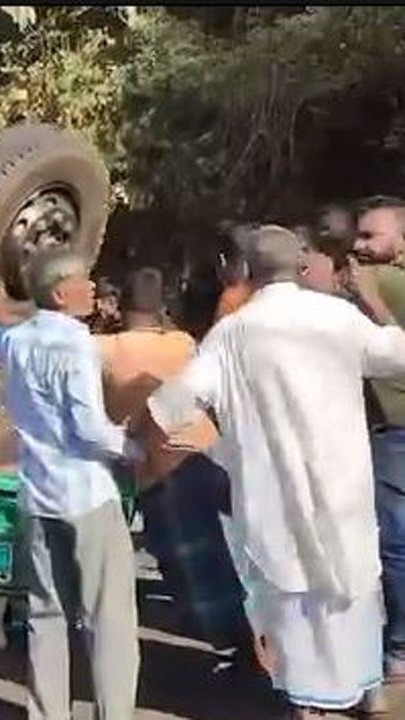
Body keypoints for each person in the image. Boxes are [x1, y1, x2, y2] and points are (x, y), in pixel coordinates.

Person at [148, 225, 405, 717]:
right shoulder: (338, 317)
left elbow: (174, 402)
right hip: (343, 488)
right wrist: (374, 304)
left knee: (293, 599)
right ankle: (364, 690)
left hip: (275, 497)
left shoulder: (232, 333)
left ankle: (310, 704)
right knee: (350, 585)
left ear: (247, 270)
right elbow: (396, 355)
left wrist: (132, 438)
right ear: (301, 267)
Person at [0, 248, 144, 720]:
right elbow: (90, 430)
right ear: (60, 294)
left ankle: (47, 712)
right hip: (87, 496)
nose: (93, 287)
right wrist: (135, 449)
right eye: (85, 280)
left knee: (46, 614)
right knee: (109, 620)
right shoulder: (76, 343)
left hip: (38, 495)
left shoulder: (19, 341)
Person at [95, 267, 251, 671]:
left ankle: (232, 647)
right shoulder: (183, 342)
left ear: (118, 305)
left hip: (161, 468)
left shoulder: (105, 349)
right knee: (227, 549)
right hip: (208, 454)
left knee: (191, 563)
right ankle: (249, 633)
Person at [350, 195, 405, 685]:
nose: (358, 244)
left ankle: (399, 650)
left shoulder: (378, 284)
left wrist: (372, 303)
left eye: (371, 235)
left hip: (393, 431)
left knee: (394, 543)